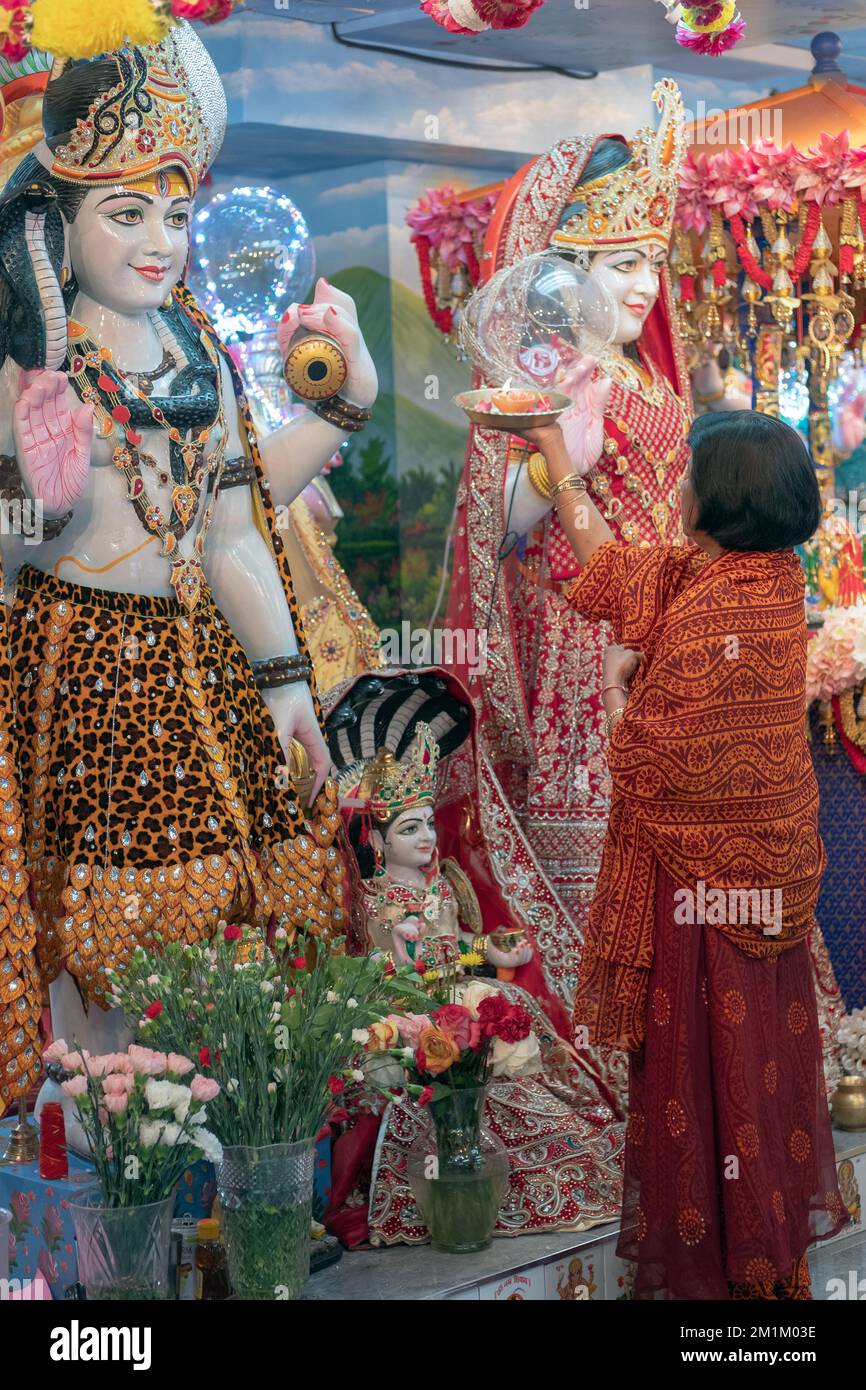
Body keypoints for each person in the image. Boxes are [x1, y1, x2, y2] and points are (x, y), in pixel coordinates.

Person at [441, 80, 845, 1099]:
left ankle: (719, 1059)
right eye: (620, 266)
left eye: (652, 265)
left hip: (677, 630)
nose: (641, 288)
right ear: (563, 274)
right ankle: (640, 1065)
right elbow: (506, 532)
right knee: (631, 853)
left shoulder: (653, 383)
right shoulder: (567, 381)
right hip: (597, 650)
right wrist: (545, 455)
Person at [0, 25, 377, 1064]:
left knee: (231, 935)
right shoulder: (30, 365)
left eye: (174, 212)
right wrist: (39, 497)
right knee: (101, 945)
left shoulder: (195, 344)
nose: (159, 241)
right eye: (125, 215)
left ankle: (216, 1171)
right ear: (56, 225)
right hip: (82, 674)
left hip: (207, 664)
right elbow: (8, 548)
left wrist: (286, 684)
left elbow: (231, 528)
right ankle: (109, 1172)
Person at [521, 404, 847, 1299]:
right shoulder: (755, 579)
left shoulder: (719, 608)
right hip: (746, 891)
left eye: (692, 478)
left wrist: (619, 686)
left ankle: (723, 1294)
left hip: (705, 896)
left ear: (723, 498)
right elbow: (621, 575)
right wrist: (560, 457)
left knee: (709, 1078)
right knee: (745, 1079)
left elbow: (647, 760)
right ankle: (759, 1277)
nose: (680, 491)